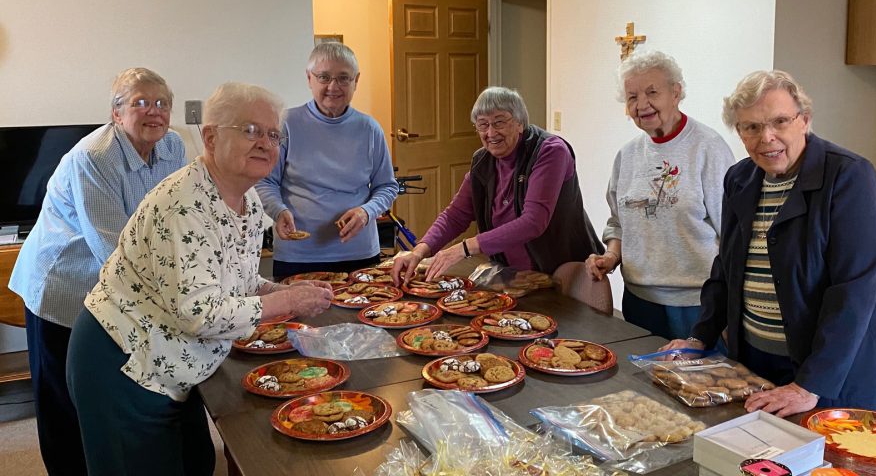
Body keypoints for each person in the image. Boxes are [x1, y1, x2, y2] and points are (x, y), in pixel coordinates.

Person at [65, 83, 333, 475]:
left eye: (273, 134)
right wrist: (290, 304)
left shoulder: (247, 197)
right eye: (250, 130)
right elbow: (202, 313)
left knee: (196, 463)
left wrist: (288, 291)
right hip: (125, 362)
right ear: (210, 136)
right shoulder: (184, 205)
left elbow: (236, 280)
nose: (265, 143)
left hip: (177, 367)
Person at [662, 70, 876, 417]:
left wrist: (811, 385)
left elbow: (854, 291)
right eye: (751, 127)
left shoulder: (848, 175)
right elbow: (726, 268)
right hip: (757, 363)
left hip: (831, 375)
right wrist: (699, 337)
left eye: (779, 121)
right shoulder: (740, 178)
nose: (767, 137)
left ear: (804, 120)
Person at [8, 67, 186, 476]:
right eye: (140, 102)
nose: (153, 112)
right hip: (63, 287)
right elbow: (115, 249)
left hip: (119, 291)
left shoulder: (174, 147)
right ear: (116, 112)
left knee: (104, 396)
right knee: (63, 400)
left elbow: (176, 217)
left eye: (162, 103)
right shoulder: (94, 157)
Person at [585, 51, 735, 341]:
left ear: (676, 92)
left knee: (698, 384)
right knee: (646, 383)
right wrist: (612, 255)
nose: (642, 105)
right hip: (640, 300)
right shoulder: (627, 155)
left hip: (698, 304)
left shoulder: (708, 148)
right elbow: (618, 221)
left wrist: (729, 308)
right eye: (632, 97)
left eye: (652, 92)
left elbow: (732, 232)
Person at [393, 86, 603, 284]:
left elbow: (533, 222)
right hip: (511, 275)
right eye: (483, 124)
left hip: (560, 273)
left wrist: (464, 248)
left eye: (499, 122)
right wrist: (419, 252)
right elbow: (455, 215)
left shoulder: (550, 151)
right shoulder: (483, 161)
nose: (491, 133)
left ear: (520, 123)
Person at [255, 42, 399, 277]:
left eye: (344, 78)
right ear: (309, 79)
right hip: (298, 255)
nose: (333, 86)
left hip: (358, 254)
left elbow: (387, 186)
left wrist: (366, 212)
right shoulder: (285, 124)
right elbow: (265, 181)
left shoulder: (370, 129)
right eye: (324, 77)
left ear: (356, 81)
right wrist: (278, 211)